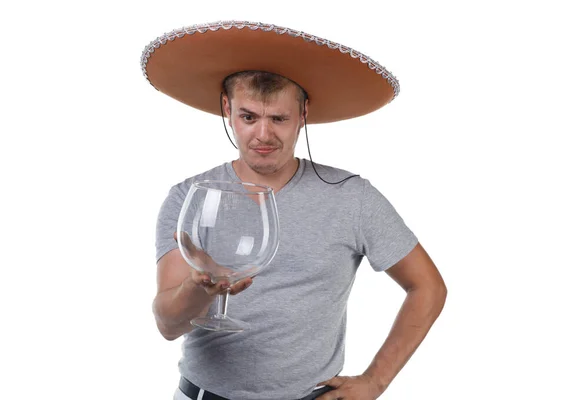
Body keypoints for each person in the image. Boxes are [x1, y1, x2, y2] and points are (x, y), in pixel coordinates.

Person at [142, 21, 447, 400]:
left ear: (303, 113)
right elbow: (168, 324)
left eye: (279, 119)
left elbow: (428, 287)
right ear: (227, 109)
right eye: (249, 117)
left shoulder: (351, 197)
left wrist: (375, 381)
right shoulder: (192, 197)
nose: (263, 135)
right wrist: (200, 286)